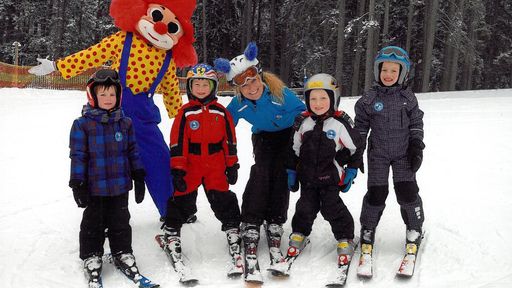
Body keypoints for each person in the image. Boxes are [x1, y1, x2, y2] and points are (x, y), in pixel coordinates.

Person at [30, 0, 199, 220]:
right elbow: (91, 55)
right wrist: (57, 66)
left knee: (159, 160)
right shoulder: (122, 40)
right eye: (157, 16)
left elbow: (171, 92)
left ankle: (171, 210)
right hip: (111, 114)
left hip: (144, 118)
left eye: (172, 27)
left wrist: (183, 119)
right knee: (108, 164)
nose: (160, 28)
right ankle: (105, 214)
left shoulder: (167, 59)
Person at [214, 42, 306, 282]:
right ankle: (252, 219)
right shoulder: (239, 104)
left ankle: (276, 218)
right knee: (261, 171)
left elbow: (305, 113)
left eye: (253, 81)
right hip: (264, 137)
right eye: (243, 85)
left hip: (288, 136)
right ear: (238, 89)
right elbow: (224, 126)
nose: (251, 88)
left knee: (283, 174)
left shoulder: (279, 93)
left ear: (260, 77)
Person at [161, 63, 243, 275]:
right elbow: (177, 141)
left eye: (205, 84)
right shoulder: (185, 112)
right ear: (189, 87)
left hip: (215, 163)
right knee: (182, 198)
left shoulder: (221, 112)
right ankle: (171, 231)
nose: (200, 88)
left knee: (222, 197)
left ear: (213, 86)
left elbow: (230, 140)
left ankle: (233, 228)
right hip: (192, 163)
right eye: (196, 84)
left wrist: (231, 164)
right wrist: (178, 168)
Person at [68, 69, 149, 285]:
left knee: (121, 221)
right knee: (93, 223)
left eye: (112, 94)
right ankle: (91, 256)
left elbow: (133, 151)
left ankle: (122, 251)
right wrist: (78, 183)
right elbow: (78, 155)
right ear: (92, 95)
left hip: (120, 187)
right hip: (94, 188)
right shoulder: (82, 124)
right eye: (102, 94)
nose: (107, 99)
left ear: (119, 96)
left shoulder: (125, 123)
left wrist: (138, 175)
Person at [354, 46, 425, 276]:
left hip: (404, 153)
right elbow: (361, 128)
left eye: (394, 71)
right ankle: (368, 229)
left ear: (402, 74)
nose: (388, 74)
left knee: (407, 192)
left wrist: (416, 145)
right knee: (376, 193)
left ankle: (414, 227)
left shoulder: (407, 98)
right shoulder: (369, 99)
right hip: (378, 154)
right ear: (378, 71)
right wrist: (357, 151)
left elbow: (416, 122)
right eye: (385, 69)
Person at [283, 73, 363, 273]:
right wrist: (291, 170)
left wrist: (352, 169)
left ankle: (345, 237)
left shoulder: (340, 124)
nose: (317, 103)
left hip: (330, 178)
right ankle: (300, 233)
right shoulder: (303, 123)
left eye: (323, 98)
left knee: (332, 209)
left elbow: (356, 148)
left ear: (333, 99)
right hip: (307, 178)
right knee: (305, 207)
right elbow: (293, 148)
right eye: (313, 98)